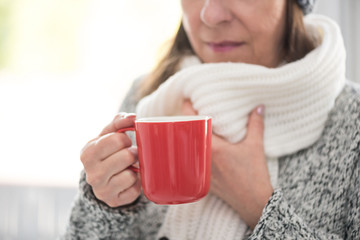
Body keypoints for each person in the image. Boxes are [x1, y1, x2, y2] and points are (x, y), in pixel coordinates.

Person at [62, 0, 360, 239]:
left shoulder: (353, 122)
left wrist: (259, 205)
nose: (210, 14)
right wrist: (104, 205)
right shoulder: (150, 97)